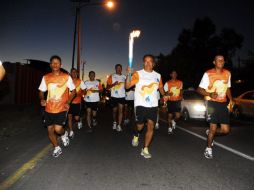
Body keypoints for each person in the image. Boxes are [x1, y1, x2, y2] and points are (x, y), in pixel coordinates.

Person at [126, 54, 165, 159]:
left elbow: (160, 87)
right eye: (146, 61)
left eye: (150, 61)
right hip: (140, 104)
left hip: (153, 105)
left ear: (153, 64)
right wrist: (128, 75)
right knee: (140, 125)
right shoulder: (138, 74)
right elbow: (127, 86)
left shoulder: (158, 76)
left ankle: (145, 149)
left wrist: (164, 95)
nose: (148, 63)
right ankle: (136, 134)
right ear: (143, 63)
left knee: (151, 125)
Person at [197, 55, 234, 159]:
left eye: (222, 59)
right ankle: (208, 149)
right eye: (219, 60)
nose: (221, 61)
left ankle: (210, 133)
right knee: (213, 127)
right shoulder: (208, 74)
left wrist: (231, 99)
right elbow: (199, 90)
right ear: (214, 62)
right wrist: (209, 94)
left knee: (226, 130)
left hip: (223, 103)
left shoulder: (227, 73)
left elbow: (228, 88)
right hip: (211, 103)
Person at [39, 55, 76, 157]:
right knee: (50, 130)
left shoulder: (66, 77)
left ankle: (64, 134)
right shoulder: (46, 77)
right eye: (53, 63)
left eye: (57, 63)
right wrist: (42, 99)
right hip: (48, 108)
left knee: (58, 129)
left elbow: (73, 91)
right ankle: (56, 147)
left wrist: (68, 102)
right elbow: (41, 91)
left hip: (62, 108)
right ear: (50, 65)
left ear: (61, 65)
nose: (55, 64)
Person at [107, 64, 126, 132]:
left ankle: (119, 125)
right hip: (114, 96)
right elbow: (107, 87)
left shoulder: (124, 77)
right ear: (115, 69)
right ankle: (115, 122)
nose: (119, 69)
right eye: (117, 68)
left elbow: (127, 86)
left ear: (121, 69)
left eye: (120, 68)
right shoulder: (111, 76)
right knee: (114, 111)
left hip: (122, 96)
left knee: (121, 111)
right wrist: (113, 84)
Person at [68, 68, 85, 138]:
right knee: (69, 117)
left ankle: (79, 120)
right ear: (70, 73)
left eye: (75, 72)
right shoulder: (68, 81)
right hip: (69, 102)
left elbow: (85, 91)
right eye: (72, 72)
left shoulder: (80, 81)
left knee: (76, 118)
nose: (74, 73)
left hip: (77, 102)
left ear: (77, 74)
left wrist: (80, 94)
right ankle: (71, 131)